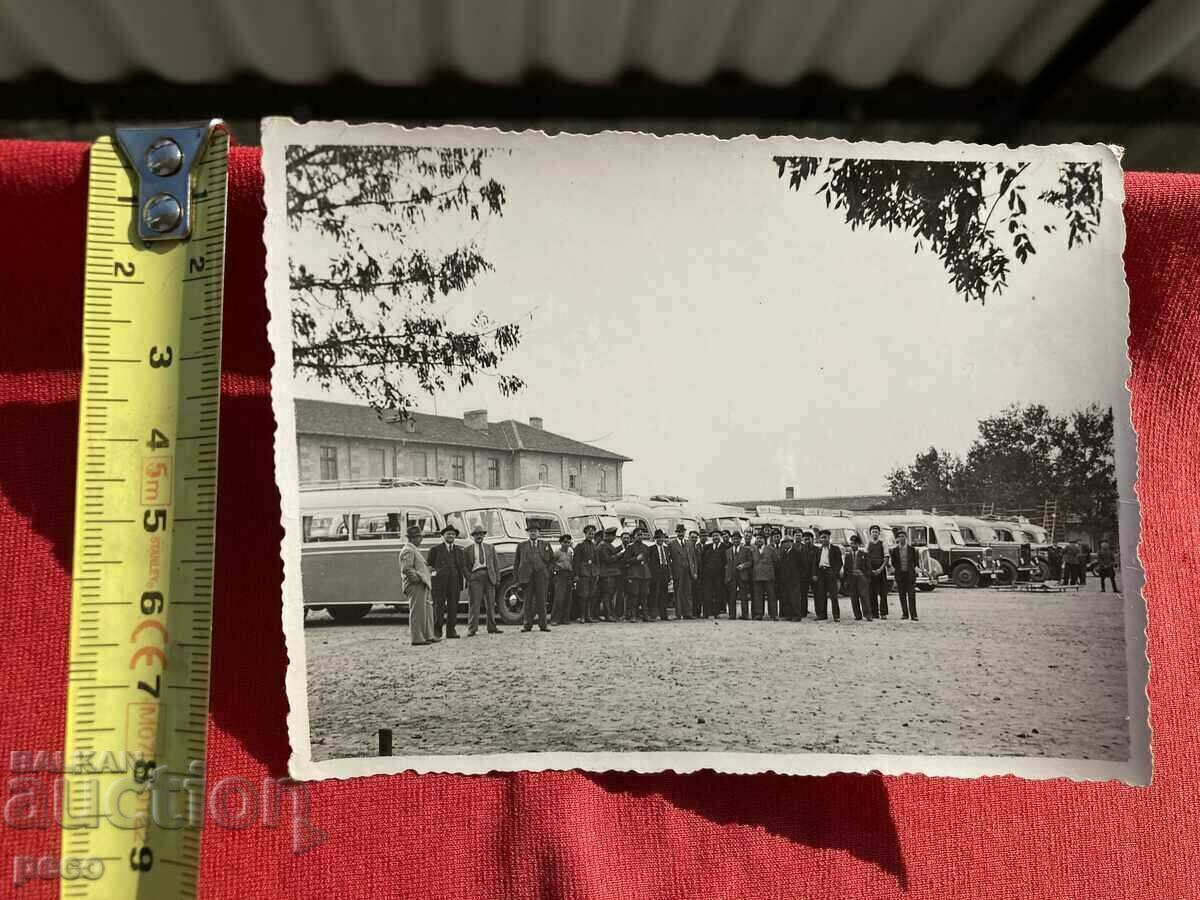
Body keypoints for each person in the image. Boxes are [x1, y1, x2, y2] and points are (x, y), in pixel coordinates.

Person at [399, 525, 440, 646]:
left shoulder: (413, 550)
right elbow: (407, 568)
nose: (421, 539)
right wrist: (418, 579)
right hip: (416, 585)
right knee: (418, 612)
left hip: (422, 584)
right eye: (418, 537)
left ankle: (428, 635)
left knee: (426, 611)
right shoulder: (408, 550)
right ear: (412, 538)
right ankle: (417, 638)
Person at [428, 524, 465, 639]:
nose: (451, 536)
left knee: (453, 606)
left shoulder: (459, 550)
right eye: (448, 534)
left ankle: (451, 631)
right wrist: (436, 575)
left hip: (454, 583)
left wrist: (462, 582)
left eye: (453, 534)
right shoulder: (435, 550)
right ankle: (437, 630)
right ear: (443, 535)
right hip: (439, 583)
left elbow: (462, 568)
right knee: (438, 606)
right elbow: (429, 566)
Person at [465, 523, 502, 636]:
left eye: (481, 534)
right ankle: (472, 629)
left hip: (489, 577)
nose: (479, 536)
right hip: (475, 577)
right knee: (474, 604)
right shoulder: (468, 550)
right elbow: (464, 566)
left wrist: (497, 579)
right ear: (473, 536)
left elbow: (496, 564)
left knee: (491, 604)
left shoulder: (490, 547)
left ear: (484, 535)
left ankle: (492, 627)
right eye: (476, 534)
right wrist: (469, 578)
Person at [515, 524, 553, 632]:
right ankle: (527, 625)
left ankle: (543, 625)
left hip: (541, 576)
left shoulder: (545, 544)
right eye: (531, 531)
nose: (533, 533)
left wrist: (547, 572)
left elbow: (552, 560)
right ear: (528, 533)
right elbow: (516, 563)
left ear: (538, 533)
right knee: (528, 601)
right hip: (527, 577)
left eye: (535, 531)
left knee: (542, 601)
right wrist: (517, 579)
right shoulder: (521, 546)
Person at [812, 529, 843, 622]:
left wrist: (834, 572)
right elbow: (814, 563)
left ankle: (836, 616)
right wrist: (814, 574)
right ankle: (822, 615)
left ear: (829, 538)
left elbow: (839, 563)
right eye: (822, 538)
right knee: (821, 595)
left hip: (830, 572)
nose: (824, 540)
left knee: (833, 596)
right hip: (821, 573)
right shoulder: (818, 550)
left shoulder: (835, 549)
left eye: (825, 537)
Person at [890, 529, 920, 621]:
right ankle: (905, 613)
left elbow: (915, 562)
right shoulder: (894, 550)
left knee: (911, 595)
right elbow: (894, 563)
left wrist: (915, 570)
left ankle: (914, 615)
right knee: (902, 595)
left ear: (906, 538)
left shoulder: (912, 549)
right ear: (897, 539)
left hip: (910, 575)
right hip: (900, 575)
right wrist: (897, 571)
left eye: (903, 536)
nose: (901, 538)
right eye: (899, 537)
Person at [789, 531, 818, 620]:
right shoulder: (801, 549)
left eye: (809, 539)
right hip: (804, 576)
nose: (807, 541)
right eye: (805, 539)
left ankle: (819, 613)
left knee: (817, 595)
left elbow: (816, 563)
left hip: (814, 575)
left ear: (812, 540)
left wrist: (815, 574)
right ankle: (803, 611)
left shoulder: (816, 549)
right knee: (803, 595)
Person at [573, 524, 600, 622]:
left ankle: (589, 615)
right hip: (583, 573)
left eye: (593, 534)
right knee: (583, 595)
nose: (591, 535)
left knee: (591, 595)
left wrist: (597, 573)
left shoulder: (594, 546)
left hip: (592, 573)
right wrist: (576, 575)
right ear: (585, 534)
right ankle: (582, 616)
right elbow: (576, 562)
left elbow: (597, 561)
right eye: (589, 533)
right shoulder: (580, 546)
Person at [844, 533, 873, 621]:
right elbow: (846, 568)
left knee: (864, 596)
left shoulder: (864, 554)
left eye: (854, 543)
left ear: (858, 544)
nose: (852, 545)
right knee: (854, 597)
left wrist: (866, 578)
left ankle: (868, 615)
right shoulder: (848, 555)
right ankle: (857, 615)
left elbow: (869, 568)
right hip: (852, 577)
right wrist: (846, 580)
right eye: (851, 543)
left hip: (861, 577)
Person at [596, 526, 623, 621]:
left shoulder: (606, 544)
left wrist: (621, 548)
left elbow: (613, 551)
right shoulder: (603, 545)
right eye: (613, 536)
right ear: (609, 536)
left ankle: (610, 614)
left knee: (609, 595)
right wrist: (619, 555)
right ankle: (608, 615)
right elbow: (608, 559)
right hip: (607, 574)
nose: (614, 538)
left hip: (610, 573)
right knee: (607, 595)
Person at [624, 530, 651, 621]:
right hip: (634, 574)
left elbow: (647, 560)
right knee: (634, 595)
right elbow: (626, 561)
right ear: (634, 536)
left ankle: (645, 615)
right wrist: (636, 559)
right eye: (638, 535)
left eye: (641, 535)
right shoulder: (630, 547)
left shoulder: (646, 547)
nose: (640, 537)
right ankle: (633, 615)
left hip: (644, 574)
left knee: (644, 595)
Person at [726, 531, 754, 620]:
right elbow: (727, 564)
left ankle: (745, 614)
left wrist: (743, 565)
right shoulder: (728, 551)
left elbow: (751, 562)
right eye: (734, 539)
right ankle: (732, 614)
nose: (735, 540)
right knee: (732, 596)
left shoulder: (746, 550)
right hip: (732, 576)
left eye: (737, 538)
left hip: (742, 575)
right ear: (732, 540)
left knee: (743, 596)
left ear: (740, 539)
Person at [668, 525, 694, 619]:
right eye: (679, 532)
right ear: (676, 533)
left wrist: (694, 571)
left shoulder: (689, 543)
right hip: (677, 571)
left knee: (688, 592)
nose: (681, 534)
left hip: (688, 571)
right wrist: (671, 573)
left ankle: (688, 613)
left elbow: (692, 558)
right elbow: (668, 560)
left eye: (682, 532)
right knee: (678, 592)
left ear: (685, 532)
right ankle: (679, 613)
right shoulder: (671, 544)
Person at [751, 533, 778, 620]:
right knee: (758, 596)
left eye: (761, 538)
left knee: (771, 596)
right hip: (757, 576)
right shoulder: (753, 550)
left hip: (769, 576)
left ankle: (773, 614)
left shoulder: (771, 549)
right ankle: (759, 614)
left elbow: (776, 562)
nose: (759, 540)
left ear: (764, 540)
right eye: (757, 538)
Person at [700, 530, 726, 619]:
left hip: (719, 575)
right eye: (714, 536)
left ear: (720, 537)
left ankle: (716, 612)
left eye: (717, 536)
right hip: (708, 576)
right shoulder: (707, 547)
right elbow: (702, 560)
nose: (715, 538)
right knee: (708, 594)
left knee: (718, 593)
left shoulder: (725, 547)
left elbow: (726, 562)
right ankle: (708, 612)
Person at [647, 529, 672, 620]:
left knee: (664, 595)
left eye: (662, 538)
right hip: (655, 575)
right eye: (658, 538)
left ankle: (663, 615)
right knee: (654, 595)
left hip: (664, 573)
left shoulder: (665, 549)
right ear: (655, 539)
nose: (660, 540)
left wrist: (669, 574)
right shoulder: (651, 549)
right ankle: (653, 614)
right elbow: (650, 563)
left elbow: (668, 562)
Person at [551, 534, 575, 625]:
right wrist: (555, 571)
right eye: (565, 542)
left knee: (567, 597)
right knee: (559, 598)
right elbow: (553, 563)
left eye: (568, 542)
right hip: (560, 575)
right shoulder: (557, 552)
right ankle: (555, 619)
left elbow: (572, 562)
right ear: (561, 542)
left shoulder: (570, 551)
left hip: (568, 575)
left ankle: (565, 618)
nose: (567, 544)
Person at [865, 524, 889, 618]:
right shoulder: (868, 544)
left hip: (881, 569)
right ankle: (874, 613)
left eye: (876, 532)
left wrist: (880, 569)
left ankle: (883, 613)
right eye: (873, 532)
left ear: (879, 533)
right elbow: (866, 558)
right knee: (872, 592)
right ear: (870, 534)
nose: (874, 533)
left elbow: (886, 557)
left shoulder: (883, 543)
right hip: (871, 569)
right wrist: (870, 570)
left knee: (883, 592)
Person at [777, 536, 794, 619]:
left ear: (791, 543)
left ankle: (794, 615)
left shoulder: (796, 553)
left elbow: (801, 566)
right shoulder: (782, 553)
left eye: (788, 542)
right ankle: (786, 614)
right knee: (784, 597)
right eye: (785, 542)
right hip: (783, 578)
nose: (787, 544)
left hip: (793, 579)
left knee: (793, 597)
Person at [685, 530, 702, 618]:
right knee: (689, 593)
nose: (694, 539)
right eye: (692, 537)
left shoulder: (697, 547)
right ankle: (690, 612)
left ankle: (696, 612)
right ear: (689, 537)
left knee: (696, 593)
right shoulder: (687, 547)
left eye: (695, 537)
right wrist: (693, 573)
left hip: (697, 573)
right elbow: (690, 561)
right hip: (690, 573)